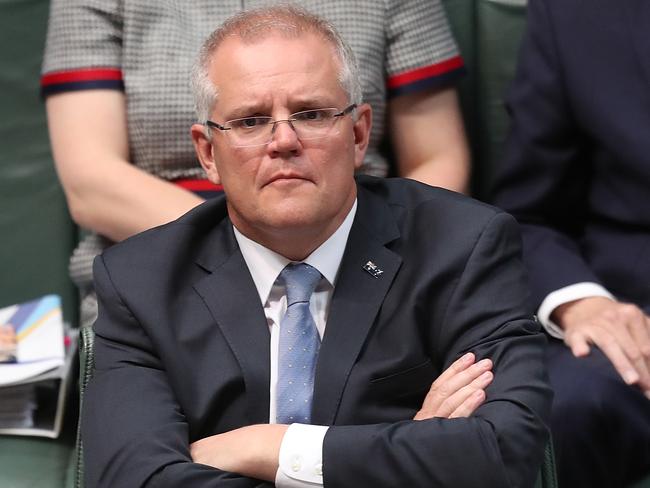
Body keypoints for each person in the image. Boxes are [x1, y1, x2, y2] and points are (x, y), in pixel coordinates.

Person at [82, 6, 550, 487]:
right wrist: (401, 452)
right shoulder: (140, 282)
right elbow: (134, 479)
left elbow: (502, 450)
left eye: (311, 114)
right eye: (250, 121)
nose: (283, 140)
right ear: (207, 153)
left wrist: (268, 448)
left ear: (359, 133)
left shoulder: (462, 247)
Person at [40, 0, 469, 328]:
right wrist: (257, 258)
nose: (283, 140)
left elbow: (437, 156)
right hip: (166, 280)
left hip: (361, 267)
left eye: (311, 113)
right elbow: (92, 180)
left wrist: (357, 263)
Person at [491, 0, 650, 486]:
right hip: (632, 317)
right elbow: (529, 214)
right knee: (559, 407)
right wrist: (582, 303)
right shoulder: (575, 15)